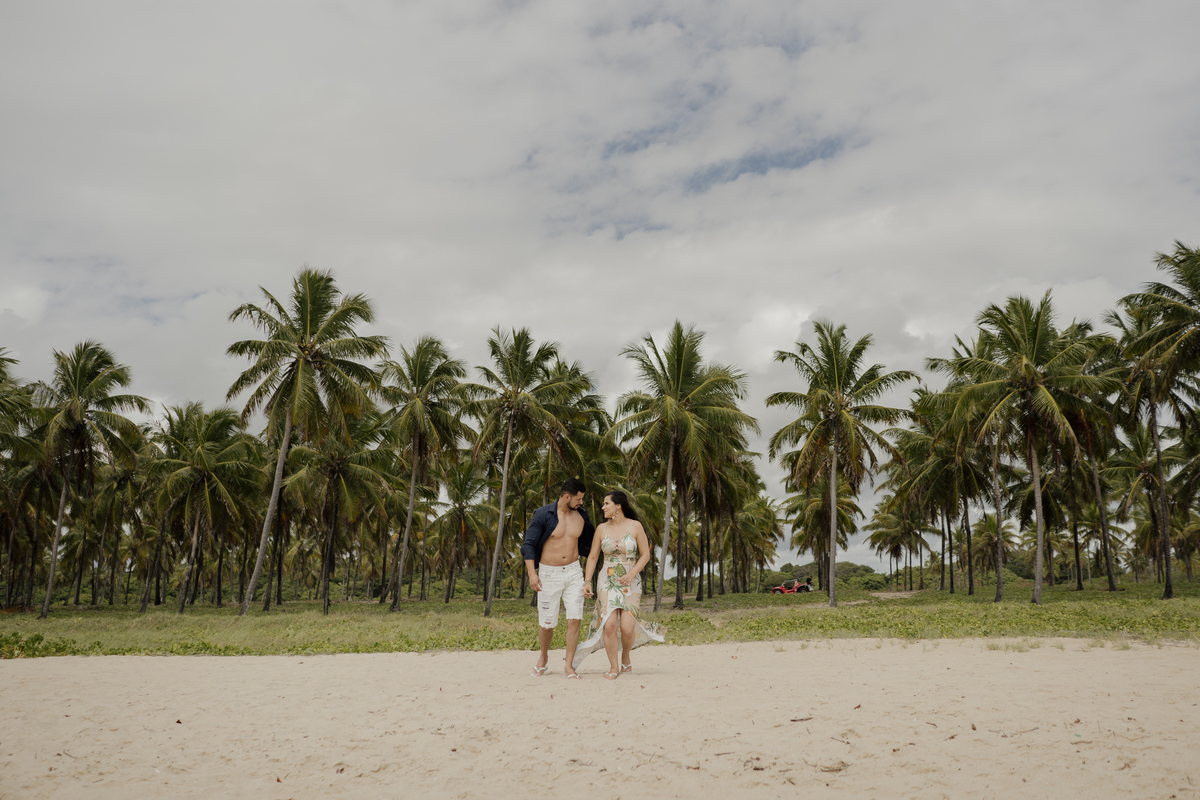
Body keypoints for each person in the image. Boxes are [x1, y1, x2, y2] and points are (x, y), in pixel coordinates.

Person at [573, 490, 665, 679]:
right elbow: (592, 557)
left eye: (607, 503)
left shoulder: (635, 526)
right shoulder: (601, 529)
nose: (603, 507)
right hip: (606, 580)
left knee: (627, 628)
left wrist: (631, 574)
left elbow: (645, 555)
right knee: (609, 626)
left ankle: (625, 656)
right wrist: (587, 581)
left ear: (618, 506)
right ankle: (614, 667)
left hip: (631, 580)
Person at [522, 478, 594, 679]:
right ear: (566, 496)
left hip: (573, 572)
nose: (581, 502)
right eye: (578, 499)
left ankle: (569, 666)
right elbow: (529, 544)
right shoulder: (543, 514)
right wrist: (532, 573)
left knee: (575, 619)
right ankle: (543, 658)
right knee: (546, 623)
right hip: (548, 573)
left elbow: (593, 543)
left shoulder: (581, 516)